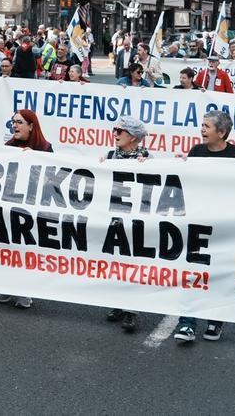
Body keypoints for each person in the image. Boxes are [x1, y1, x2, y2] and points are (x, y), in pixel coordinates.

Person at [172, 110, 235, 343]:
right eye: (202, 125)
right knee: (192, 271)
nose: (202, 130)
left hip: (225, 226)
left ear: (221, 132)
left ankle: (216, 319)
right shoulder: (196, 152)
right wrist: (181, 165)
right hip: (199, 222)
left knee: (220, 272)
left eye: (206, 126)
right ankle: (187, 323)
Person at [0, 108, 52, 309]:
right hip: (11, 205)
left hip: (32, 208)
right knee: (8, 247)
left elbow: (50, 180)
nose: (15, 126)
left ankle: (24, 290)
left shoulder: (45, 148)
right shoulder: (8, 147)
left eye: (19, 122)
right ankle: (6, 286)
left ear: (31, 126)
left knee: (27, 249)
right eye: (13, 122)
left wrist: (35, 160)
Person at [101, 116, 149, 333]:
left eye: (120, 131)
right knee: (117, 263)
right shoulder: (109, 156)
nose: (115, 134)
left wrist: (147, 168)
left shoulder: (148, 159)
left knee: (135, 264)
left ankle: (132, 310)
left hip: (136, 221)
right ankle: (118, 304)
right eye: (115, 129)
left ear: (134, 137)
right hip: (114, 218)